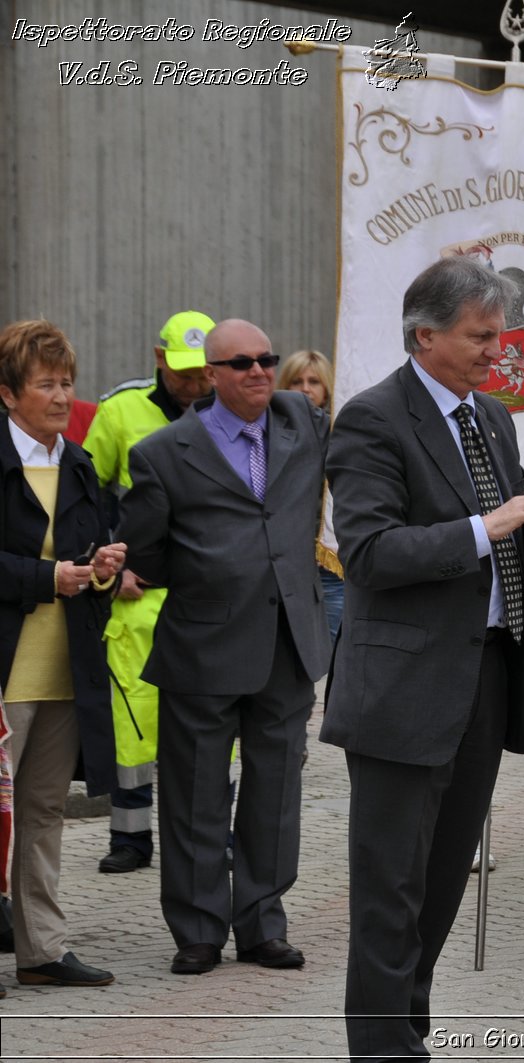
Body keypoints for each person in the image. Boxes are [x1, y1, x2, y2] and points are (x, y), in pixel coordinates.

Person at [322, 256, 524, 1061]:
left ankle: (408, 1030)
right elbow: (371, 553)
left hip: (483, 677)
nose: (499, 349)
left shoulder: (492, 419)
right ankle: (382, 1051)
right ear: (427, 335)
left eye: (500, 333)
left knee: (443, 885)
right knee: (390, 893)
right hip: (401, 691)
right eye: (482, 335)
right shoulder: (372, 420)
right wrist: (489, 526)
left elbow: (515, 540)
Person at [117, 319, 331, 976]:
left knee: (274, 795)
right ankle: (199, 929)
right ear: (211, 376)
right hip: (203, 650)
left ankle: (263, 923)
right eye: (242, 363)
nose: (260, 371)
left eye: (267, 358)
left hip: (286, 646)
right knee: (195, 796)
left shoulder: (300, 421)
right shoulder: (163, 453)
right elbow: (147, 551)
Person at [0, 320, 127, 989]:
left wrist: (102, 567)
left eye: (67, 382)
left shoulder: (76, 461)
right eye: (45, 382)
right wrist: (47, 577)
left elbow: (88, 557)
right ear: (8, 392)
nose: (60, 394)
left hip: (62, 669)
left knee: (44, 811)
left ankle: (41, 949)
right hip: (7, 672)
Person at [82, 310, 216, 875]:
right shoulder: (121, 410)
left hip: (207, 592)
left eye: (204, 372)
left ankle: (216, 838)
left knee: (213, 720)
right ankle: (131, 838)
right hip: (137, 592)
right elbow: (86, 493)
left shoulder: (227, 411)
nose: (195, 384)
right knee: (133, 716)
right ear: (159, 360)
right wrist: (111, 566)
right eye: (185, 373)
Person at [279, 349, 343, 639]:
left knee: (335, 659)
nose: (305, 389)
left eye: (314, 381)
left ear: (327, 387)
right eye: (297, 381)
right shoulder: (267, 433)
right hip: (282, 565)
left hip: (327, 563)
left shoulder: (340, 432)